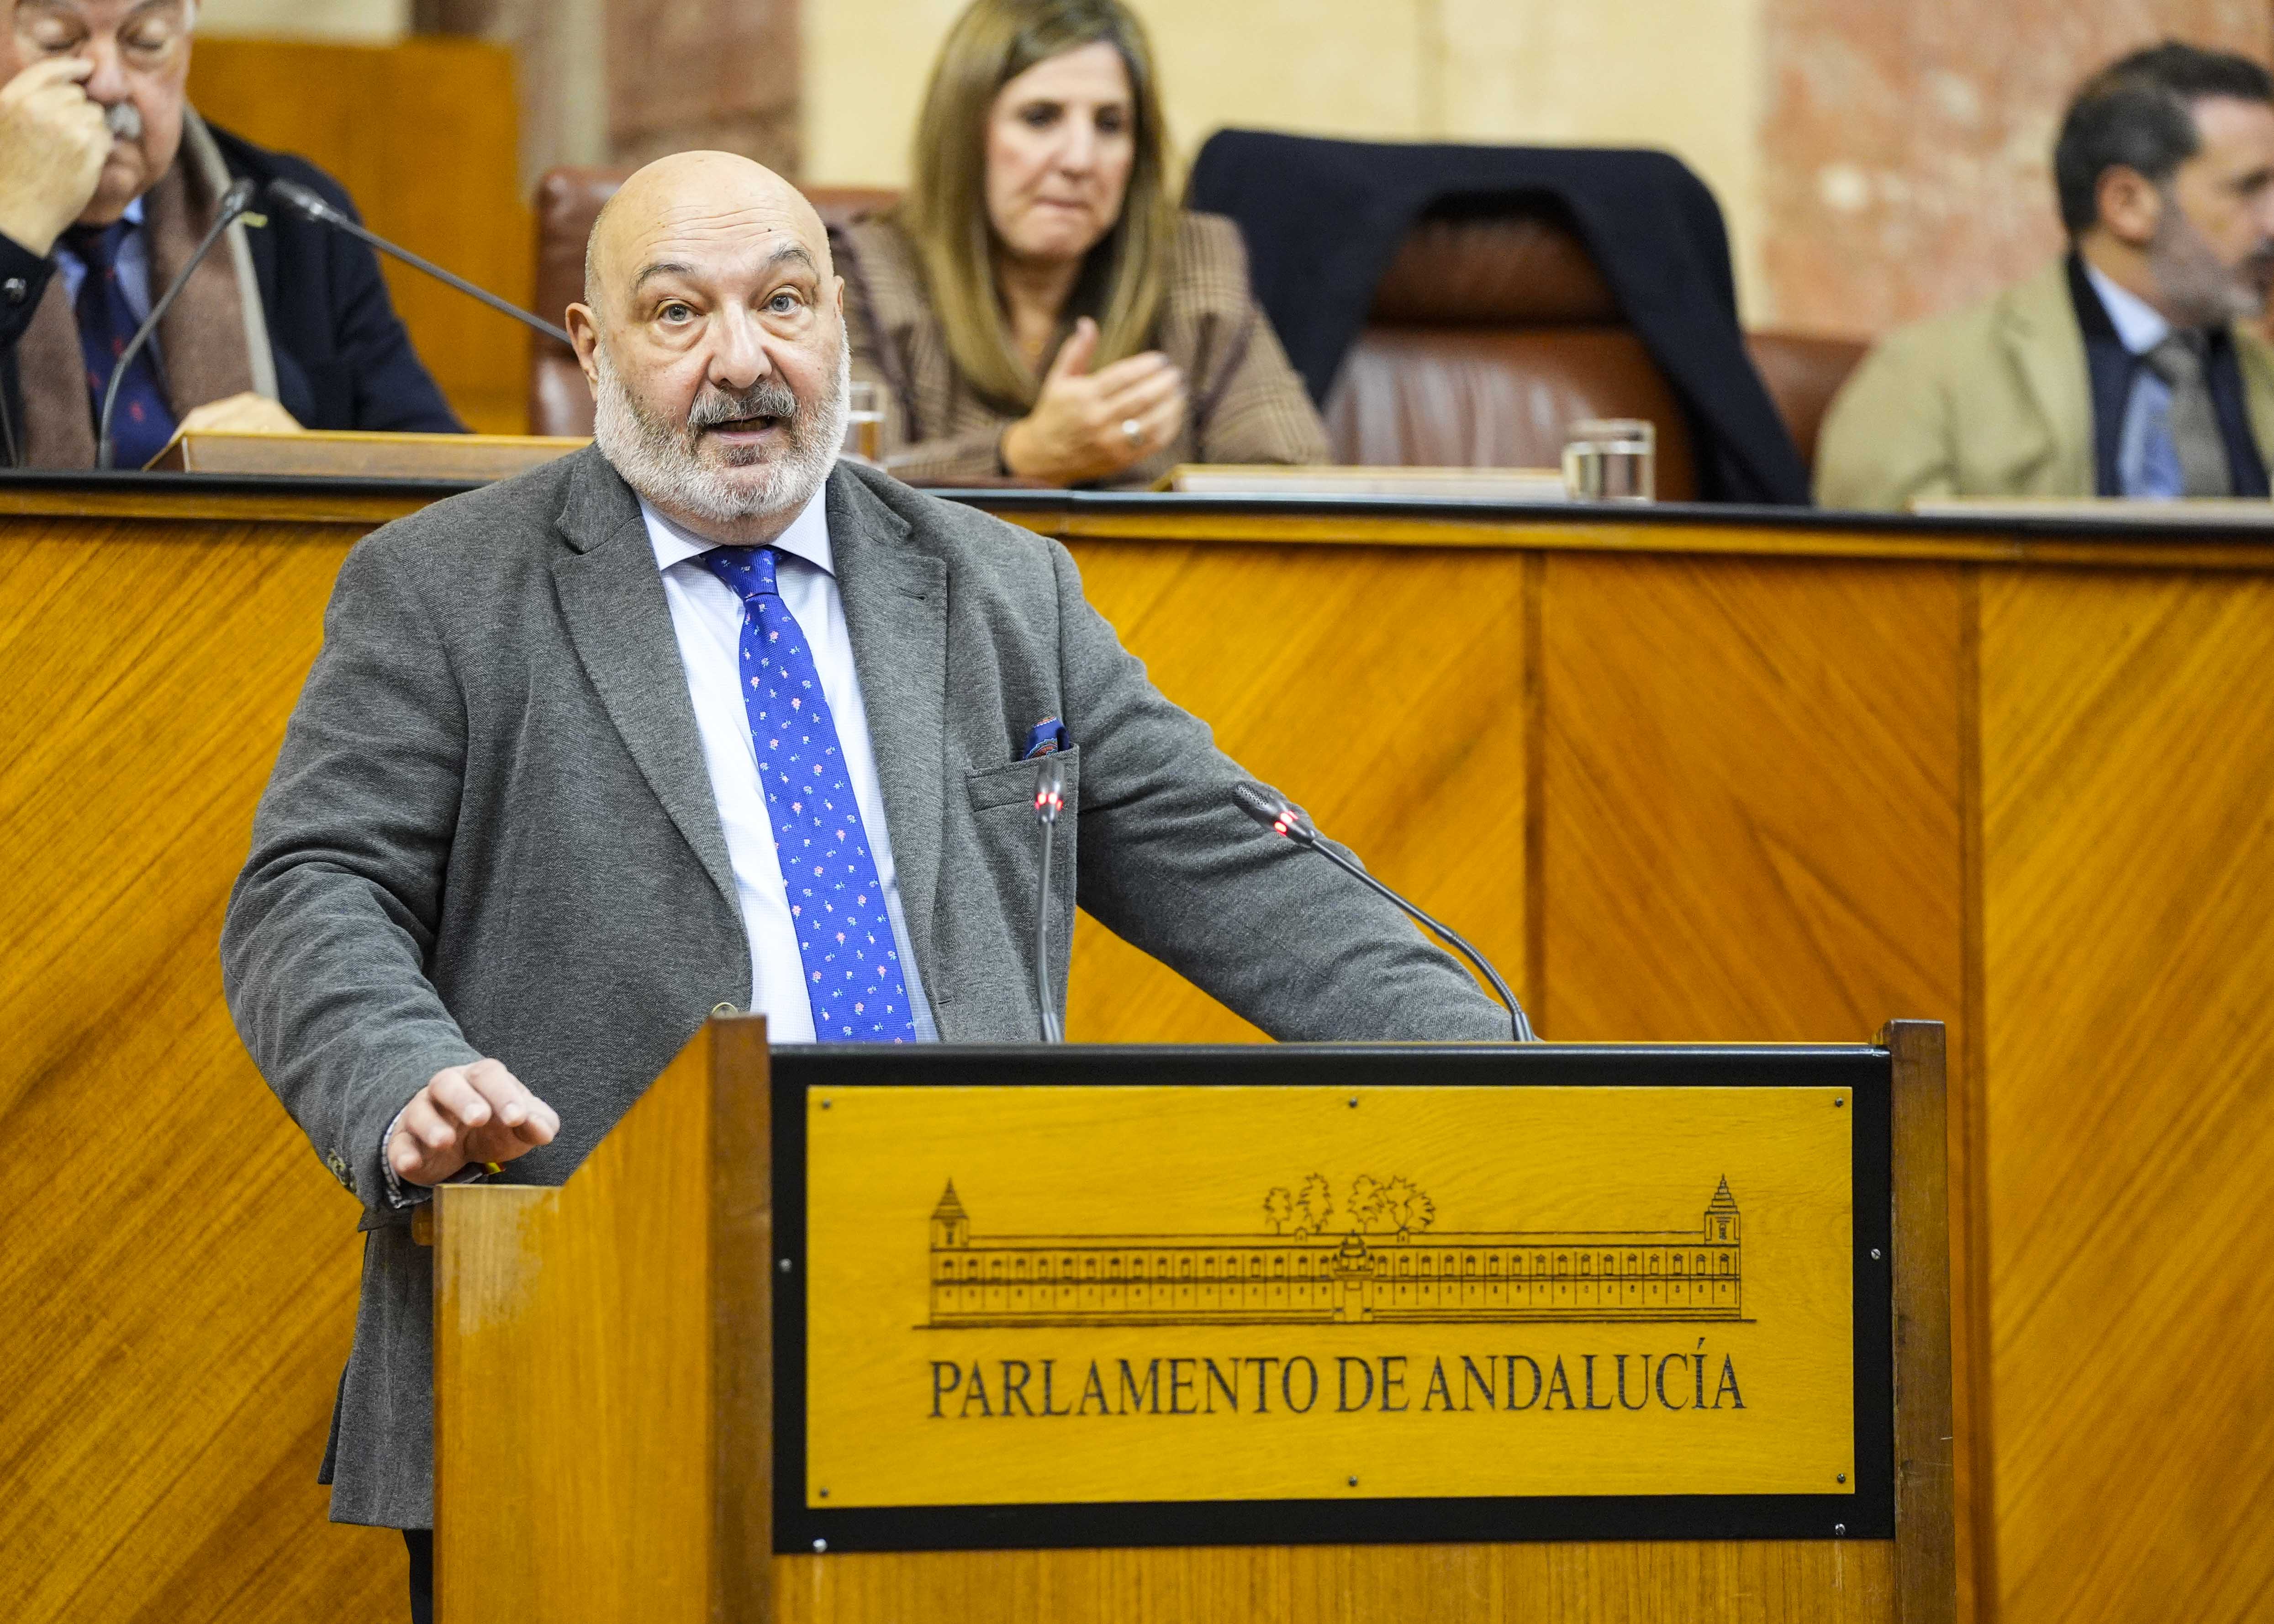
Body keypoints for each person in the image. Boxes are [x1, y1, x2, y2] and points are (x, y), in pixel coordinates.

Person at [219, 150, 1517, 1619]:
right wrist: (406, 1075)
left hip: (967, 1333)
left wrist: (1508, 1082)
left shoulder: (1003, 588)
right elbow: (310, 889)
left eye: (782, 302)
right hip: (584, 1325)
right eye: (677, 314)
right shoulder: (443, 590)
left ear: (837, 317)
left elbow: (1233, 864)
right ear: (590, 348)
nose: (743, 360)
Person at [835, 0, 1329, 487]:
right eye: (1040, 117)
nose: (1079, 159)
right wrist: (1016, 454)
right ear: (967, 137)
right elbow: (842, 486)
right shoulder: (865, 274)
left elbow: (1293, 478)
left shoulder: (1194, 264)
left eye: (1109, 124)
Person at [0, 0, 459, 470]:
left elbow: (443, 484)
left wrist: (314, 473)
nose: (107, 83)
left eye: (146, 42)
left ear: (187, 42)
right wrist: (13, 236)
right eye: (57, 42)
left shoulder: (297, 217)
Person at [1816, 42, 2274, 510]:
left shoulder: (2263, 373)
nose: (2271, 223)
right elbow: (1874, 576)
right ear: (2127, 204)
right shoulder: (1926, 379)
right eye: (2248, 188)